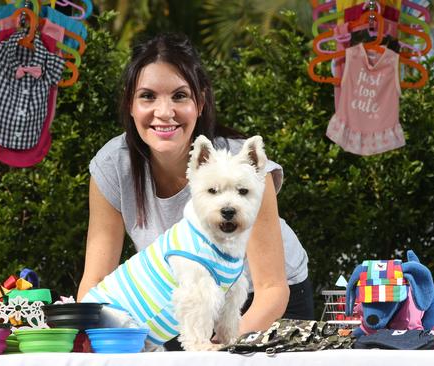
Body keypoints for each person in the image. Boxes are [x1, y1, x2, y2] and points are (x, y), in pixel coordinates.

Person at [76, 33, 313, 345]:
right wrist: (92, 334)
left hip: (263, 301)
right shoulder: (112, 166)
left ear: (200, 102)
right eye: (147, 96)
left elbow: (272, 288)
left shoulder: (245, 165)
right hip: (180, 301)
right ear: (129, 104)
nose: (164, 112)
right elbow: (95, 283)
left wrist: (220, 348)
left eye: (179, 96)